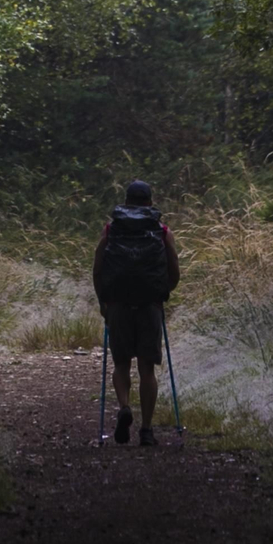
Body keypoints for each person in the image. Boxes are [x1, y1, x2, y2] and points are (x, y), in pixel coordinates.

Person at [92, 177, 180, 445]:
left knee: (120, 363)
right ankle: (147, 430)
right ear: (150, 202)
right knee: (147, 369)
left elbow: (98, 268)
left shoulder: (111, 230)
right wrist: (161, 294)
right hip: (149, 305)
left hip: (118, 304)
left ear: (126, 201)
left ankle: (124, 407)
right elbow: (174, 271)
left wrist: (103, 301)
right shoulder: (162, 231)